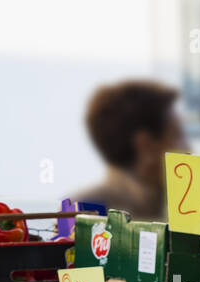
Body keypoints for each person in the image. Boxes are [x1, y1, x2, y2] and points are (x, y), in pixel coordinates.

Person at [77, 80, 187, 221]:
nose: (187, 148)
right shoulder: (85, 211)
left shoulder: (80, 209)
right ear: (146, 145)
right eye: (177, 136)